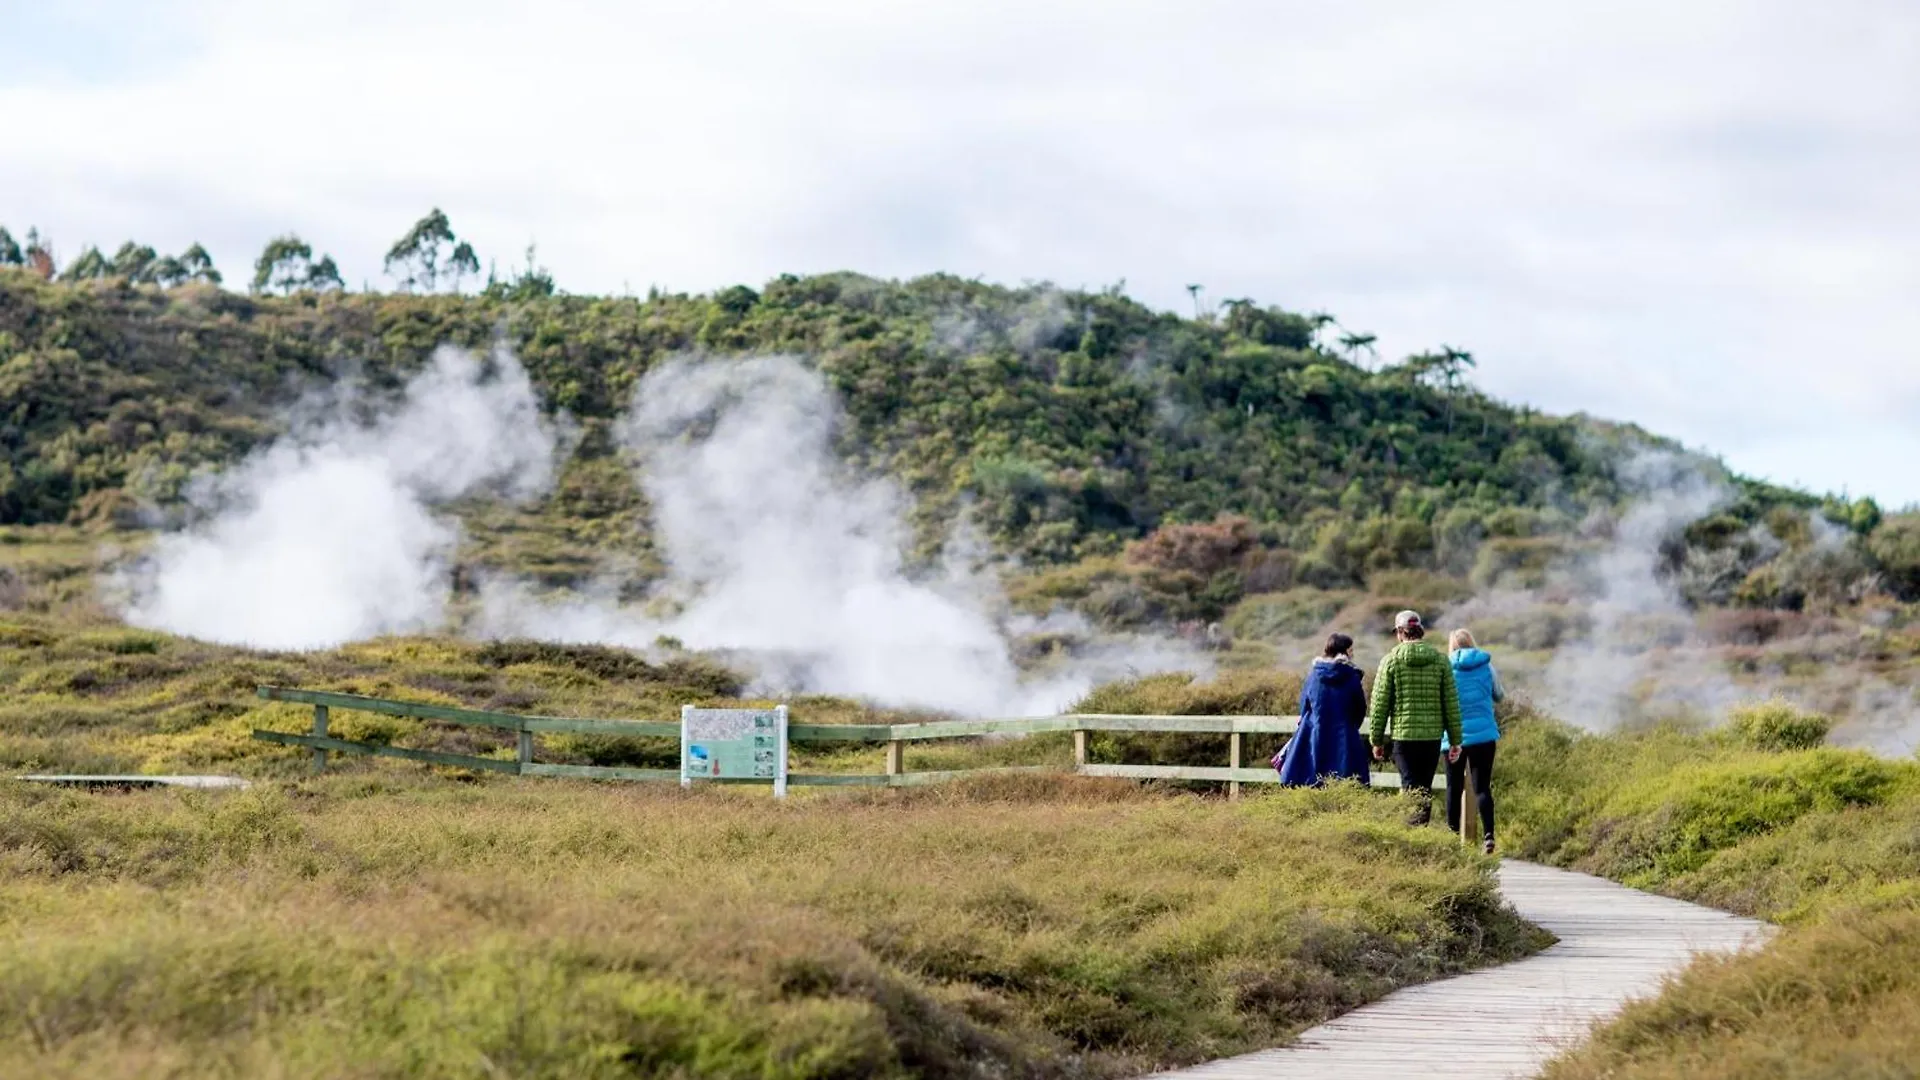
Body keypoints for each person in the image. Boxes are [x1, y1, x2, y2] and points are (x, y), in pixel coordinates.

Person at [1366, 610, 1463, 825]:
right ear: (1420, 631)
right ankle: (1421, 833)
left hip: (1404, 735)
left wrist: (1377, 740)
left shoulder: (1390, 662)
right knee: (1424, 788)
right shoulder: (1440, 662)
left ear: (1401, 632)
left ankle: (1413, 838)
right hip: (1431, 737)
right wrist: (1456, 740)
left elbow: (1380, 705)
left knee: (1409, 786)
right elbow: (1451, 703)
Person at [1275, 633, 1371, 786]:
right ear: (1343, 652)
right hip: (1345, 738)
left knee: (1313, 782)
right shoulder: (1352, 677)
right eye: (1350, 650)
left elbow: (1304, 707)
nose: (1353, 653)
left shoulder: (1314, 675)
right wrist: (1350, 727)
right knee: (1346, 784)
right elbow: (1360, 708)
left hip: (1315, 736)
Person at [1445, 628, 1504, 854]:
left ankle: (1452, 840)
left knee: (1453, 787)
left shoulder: (1446, 668)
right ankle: (1488, 835)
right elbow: (1499, 695)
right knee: (1482, 788)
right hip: (1484, 735)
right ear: (1472, 643)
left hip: (1453, 737)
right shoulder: (1487, 666)